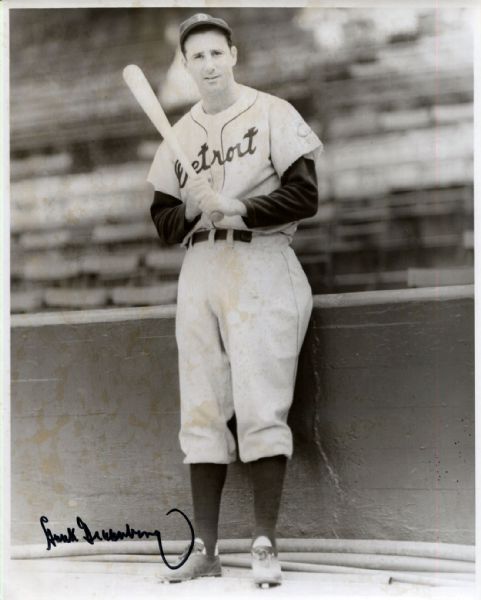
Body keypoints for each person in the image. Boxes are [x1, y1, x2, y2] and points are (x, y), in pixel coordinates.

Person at [147, 12, 322, 587]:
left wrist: (240, 205)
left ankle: (265, 543)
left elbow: (305, 194)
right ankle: (206, 547)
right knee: (200, 405)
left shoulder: (272, 111)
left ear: (234, 55)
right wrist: (197, 207)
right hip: (200, 267)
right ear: (188, 66)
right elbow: (164, 222)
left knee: (260, 400)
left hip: (260, 259)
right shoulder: (180, 132)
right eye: (196, 56)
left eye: (216, 52)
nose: (209, 63)